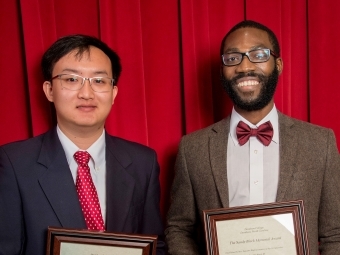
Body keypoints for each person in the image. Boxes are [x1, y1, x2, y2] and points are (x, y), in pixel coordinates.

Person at [165, 20, 340, 255]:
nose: (244, 66)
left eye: (258, 55)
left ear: (278, 64)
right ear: (222, 70)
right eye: (233, 58)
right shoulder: (192, 148)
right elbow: (179, 229)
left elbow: (335, 234)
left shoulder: (320, 143)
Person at [0, 34, 166, 255]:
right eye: (71, 79)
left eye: (99, 81)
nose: (86, 93)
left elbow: (155, 245)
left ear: (114, 92)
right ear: (49, 90)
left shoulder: (142, 162)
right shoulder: (15, 163)